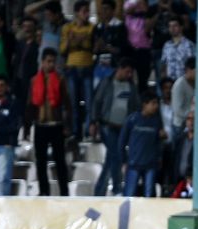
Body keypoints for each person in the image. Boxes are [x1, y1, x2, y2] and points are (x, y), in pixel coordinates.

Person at [92, 57, 140, 196]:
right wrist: (94, 121)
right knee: (116, 155)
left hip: (123, 128)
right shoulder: (107, 82)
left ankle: (99, 191)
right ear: (120, 69)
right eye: (127, 71)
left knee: (111, 159)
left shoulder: (131, 86)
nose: (129, 75)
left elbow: (136, 106)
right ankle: (117, 188)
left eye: (131, 72)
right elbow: (97, 101)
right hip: (108, 125)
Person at [27, 47, 72, 196]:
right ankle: (44, 192)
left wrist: (67, 125)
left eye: (53, 61)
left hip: (56, 125)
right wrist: (28, 126)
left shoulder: (60, 80)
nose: (51, 64)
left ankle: (64, 193)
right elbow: (30, 104)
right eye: (48, 61)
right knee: (41, 162)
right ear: (42, 62)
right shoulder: (34, 80)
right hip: (40, 125)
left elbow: (67, 104)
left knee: (60, 161)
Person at [119, 90, 166, 197]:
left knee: (149, 196)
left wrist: (159, 157)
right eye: (153, 103)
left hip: (151, 165)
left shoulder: (156, 121)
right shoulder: (132, 120)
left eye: (157, 103)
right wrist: (124, 161)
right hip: (133, 164)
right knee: (129, 195)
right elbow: (122, 141)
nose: (156, 106)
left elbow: (158, 143)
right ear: (145, 104)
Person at [60, 0, 95, 139]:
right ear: (76, 13)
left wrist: (76, 40)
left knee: (89, 102)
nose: (87, 14)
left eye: (88, 11)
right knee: (73, 103)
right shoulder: (67, 28)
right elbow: (63, 49)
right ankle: (75, 131)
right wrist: (71, 41)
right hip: (72, 68)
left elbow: (89, 45)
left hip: (87, 67)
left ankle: (88, 131)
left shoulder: (92, 27)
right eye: (84, 11)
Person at [160, 15, 196, 81]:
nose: (172, 28)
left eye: (175, 26)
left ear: (181, 27)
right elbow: (164, 64)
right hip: (170, 82)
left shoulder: (189, 44)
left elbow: (193, 66)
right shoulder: (166, 45)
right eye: (170, 26)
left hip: (184, 81)